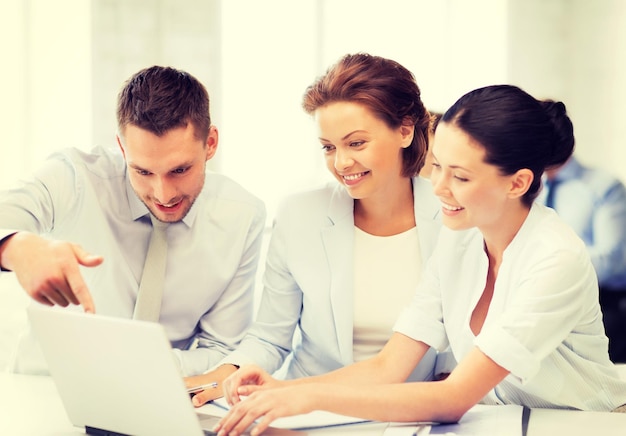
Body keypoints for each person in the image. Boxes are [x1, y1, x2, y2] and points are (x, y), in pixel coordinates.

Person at [211, 84, 626, 436]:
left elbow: (452, 398)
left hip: (584, 425)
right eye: (439, 167)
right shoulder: (459, 238)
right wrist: (280, 391)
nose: (439, 188)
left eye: (460, 177)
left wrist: (307, 397)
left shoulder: (555, 259)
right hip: (503, 422)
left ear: (518, 183)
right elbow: (390, 365)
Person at [185, 52, 446, 406]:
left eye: (356, 143)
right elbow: (270, 338)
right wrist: (219, 377)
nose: (341, 163)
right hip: (306, 409)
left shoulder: (454, 218)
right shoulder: (300, 214)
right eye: (328, 147)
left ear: (404, 129)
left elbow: (457, 354)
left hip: (408, 409)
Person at [0, 66, 266, 376]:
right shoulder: (74, 177)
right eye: (142, 172)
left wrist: (142, 368)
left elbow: (221, 350)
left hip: (160, 393)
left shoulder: (243, 217)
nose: (163, 194)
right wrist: (16, 246)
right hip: (44, 388)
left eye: (179, 170)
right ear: (122, 147)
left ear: (210, 143)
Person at [541, 156, 626, 363]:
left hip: (601, 302)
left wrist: (546, 269)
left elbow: (610, 260)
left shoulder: (603, 186)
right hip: (544, 305)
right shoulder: (524, 187)